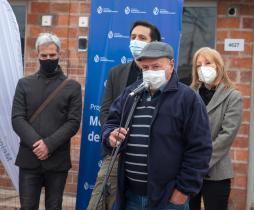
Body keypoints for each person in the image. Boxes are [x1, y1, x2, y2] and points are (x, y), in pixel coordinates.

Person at [102, 41, 212, 210]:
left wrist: (183, 190)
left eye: (156, 67)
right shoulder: (131, 93)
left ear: (171, 64)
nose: (150, 72)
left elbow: (200, 148)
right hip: (130, 196)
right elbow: (111, 122)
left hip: (168, 199)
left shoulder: (188, 98)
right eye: (145, 68)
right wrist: (110, 135)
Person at [87, 20, 161, 210]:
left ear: (154, 43)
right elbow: (105, 111)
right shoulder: (116, 73)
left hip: (147, 158)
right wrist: (113, 133)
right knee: (98, 202)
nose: (136, 41)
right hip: (117, 152)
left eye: (142, 38)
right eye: (133, 37)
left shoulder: (163, 78)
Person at [11, 32, 82, 210]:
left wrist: (49, 145)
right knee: (27, 207)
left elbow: (73, 123)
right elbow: (17, 118)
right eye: (44, 56)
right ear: (37, 55)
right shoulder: (24, 84)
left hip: (57, 160)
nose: (48, 59)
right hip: (29, 158)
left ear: (60, 55)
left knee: (54, 206)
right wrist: (38, 144)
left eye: (52, 55)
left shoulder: (72, 87)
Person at [188, 47, 243, 210]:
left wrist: (201, 161)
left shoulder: (233, 96)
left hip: (216, 171)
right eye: (198, 65)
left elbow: (227, 135)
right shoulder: (189, 94)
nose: (202, 68)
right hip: (188, 170)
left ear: (218, 66)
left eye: (207, 63)